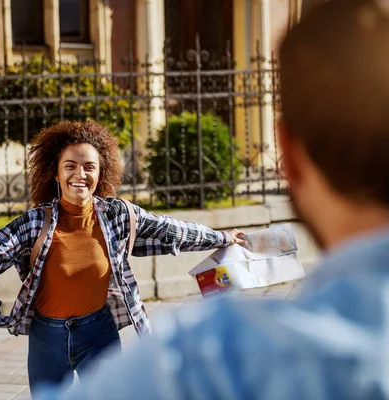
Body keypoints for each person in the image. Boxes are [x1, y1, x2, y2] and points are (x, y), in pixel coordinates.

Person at [34, 0, 389, 398]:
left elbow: (167, 230)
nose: (80, 175)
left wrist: (218, 242)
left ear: (286, 154)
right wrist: (221, 238)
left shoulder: (206, 359)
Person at [0, 120, 245, 396]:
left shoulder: (117, 214)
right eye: (70, 166)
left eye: (89, 167)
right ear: (55, 172)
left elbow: (172, 231)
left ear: (100, 175)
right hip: (47, 339)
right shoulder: (35, 223)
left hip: (98, 333)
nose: (80, 174)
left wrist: (223, 236)